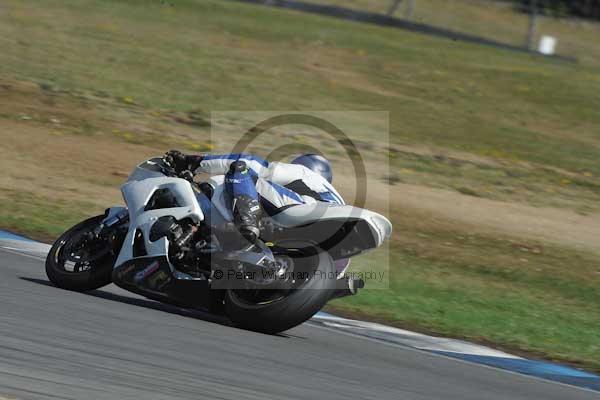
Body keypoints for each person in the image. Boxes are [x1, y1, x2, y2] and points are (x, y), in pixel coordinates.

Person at [164, 150, 344, 243]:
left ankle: (247, 219)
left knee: (241, 168)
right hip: (320, 242)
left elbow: (256, 165)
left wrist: (194, 163)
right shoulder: (335, 199)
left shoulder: (304, 173)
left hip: (301, 210)